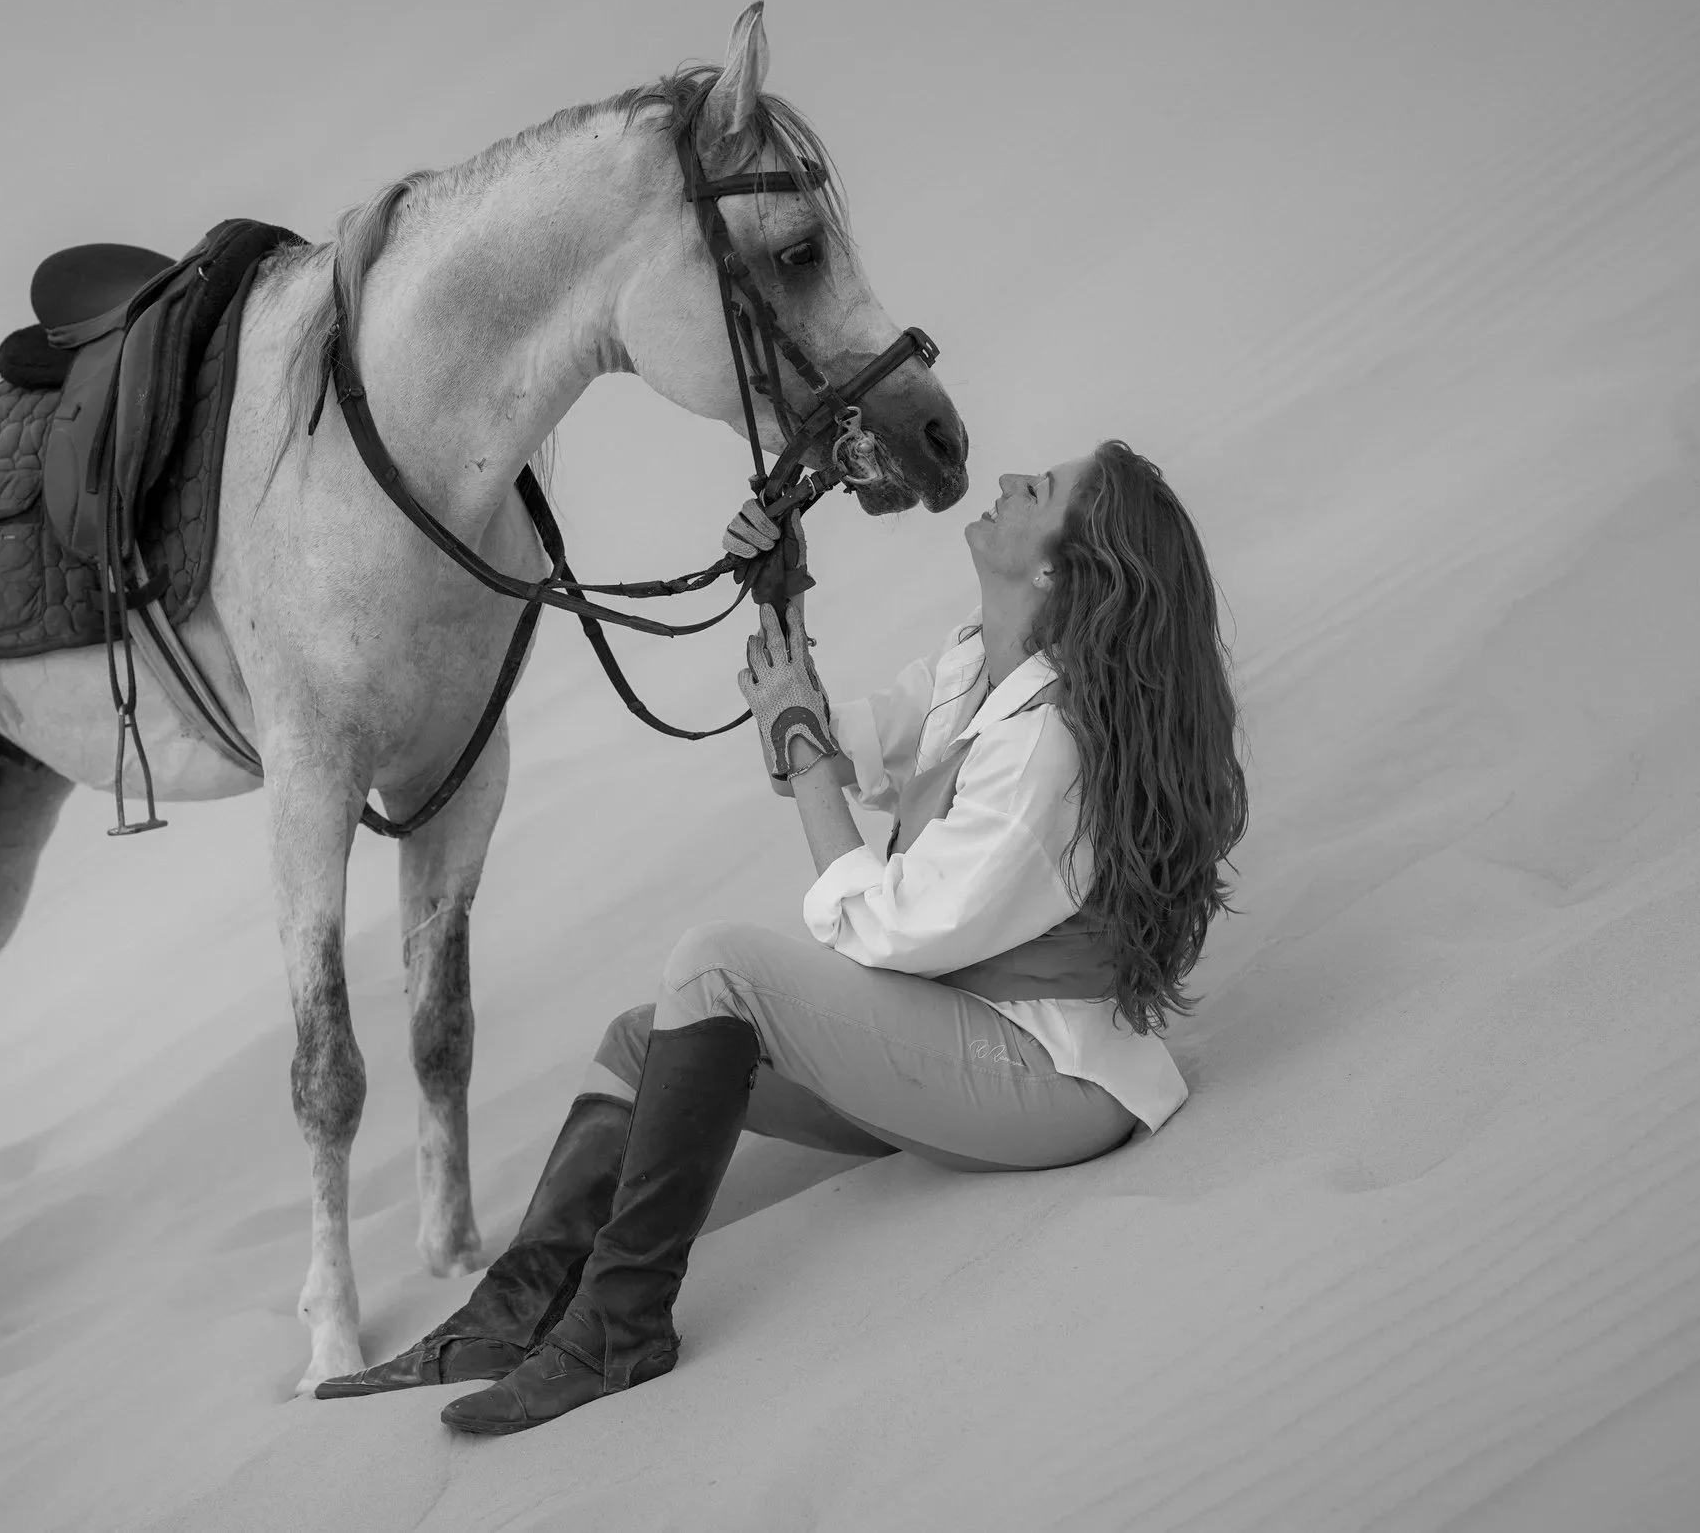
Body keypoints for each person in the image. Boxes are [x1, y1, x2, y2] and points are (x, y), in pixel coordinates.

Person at [316, 439, 1247, 1435]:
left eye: (1042, 490)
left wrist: (804, 745)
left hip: (1044, 1083)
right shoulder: (977, 664)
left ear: (1059, 566)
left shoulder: (1048, 744)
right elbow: (830, 729)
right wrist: (778, 596)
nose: (1014, 478)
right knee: (646, 1036)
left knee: (718, 966)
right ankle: (507, 1312)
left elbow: (890, 927)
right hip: (947, 1049)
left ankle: (617, 1326)